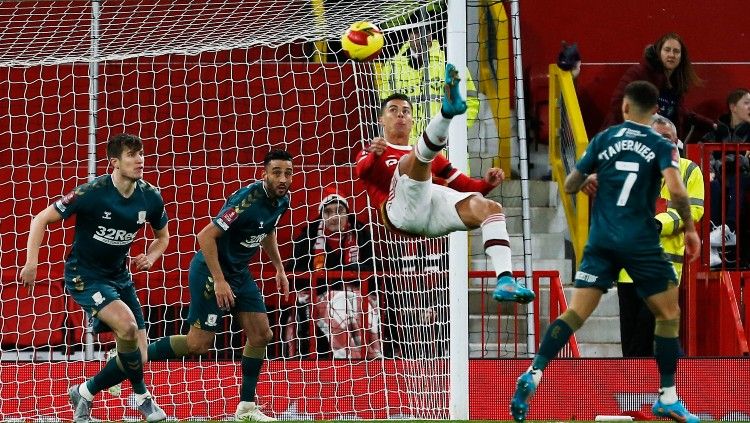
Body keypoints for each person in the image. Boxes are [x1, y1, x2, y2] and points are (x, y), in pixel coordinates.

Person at [509, 81, 701, 423]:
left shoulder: (603, 140)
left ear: (625, 109)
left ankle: (535, 372)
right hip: (639, 241)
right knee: (669, 315)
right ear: (655, 109)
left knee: (575, 313)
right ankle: (668, 396)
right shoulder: (661, 145)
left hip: (601, 240)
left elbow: (570, 184)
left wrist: (585, 182)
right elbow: (677, 190)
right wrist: (688, 229)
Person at [19, 134, 170, 423]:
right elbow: (40, 219)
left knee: (140, 355)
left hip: (120, 277)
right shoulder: (92, 192)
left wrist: (150, 257)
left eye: (141, 154)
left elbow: (163, 237)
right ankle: (142, 397)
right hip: (84, 276)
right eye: (132, 155)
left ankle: (84, 392)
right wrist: (31, 262)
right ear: (114, 162)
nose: (140, 160)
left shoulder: (150, 196)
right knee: (126, 328)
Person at [356, 63, 534, 304]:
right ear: (381, 119)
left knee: (490, 208)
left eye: (406, 111)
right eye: (393, 110)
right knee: (414, 161)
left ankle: (505, 280)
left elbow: (466, 186)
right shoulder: (373, 151)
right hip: (398, 215)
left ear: (412, 120)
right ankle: (446, 113)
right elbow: (362, 171)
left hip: (430, 215)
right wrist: (374, 155)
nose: (400, 114)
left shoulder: (430, 157)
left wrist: (487, 183)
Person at [145, 149, 293, 422]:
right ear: (264, 175)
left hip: (239, 273)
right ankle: (134, 353)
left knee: (262, 335)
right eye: (277, 173)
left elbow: (268, 231)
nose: (283, 179)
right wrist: (220, 281)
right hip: (211, 272)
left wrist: (279, 268)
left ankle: (247, 408)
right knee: (198, 344)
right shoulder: (246, 200)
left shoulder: (282, 201)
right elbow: (205, 236)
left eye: (288, 173)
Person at [582, 115, 705, 357]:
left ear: (677, 141)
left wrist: (658, 224)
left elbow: (693, 210)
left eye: (667, 138)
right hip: (627, 271)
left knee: (646, 338)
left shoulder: (689, 171)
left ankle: (653, 390)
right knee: (632, 342)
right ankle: (636, 391)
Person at [286, 188, 382, 359]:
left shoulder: (361, 233)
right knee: (338, 302)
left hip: (358, 293)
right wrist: (333, 280)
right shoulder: (308, 235)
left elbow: (374, 267)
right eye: (328, 211)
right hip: (321, 294)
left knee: (355, 302)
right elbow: (295, 271)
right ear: (321, 215)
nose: (334, 216)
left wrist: (343, 274)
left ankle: (368, 353)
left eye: (339, 211)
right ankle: (350, 355)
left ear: (347, 213)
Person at [378, 12, 480, 141]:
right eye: (416, 32)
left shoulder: (450, 63)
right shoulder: (391, 67)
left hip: (444, 147)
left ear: (432, 35)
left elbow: (470, 100)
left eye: (427, 31)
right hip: (407, 148)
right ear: (409, 36)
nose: (422, 36)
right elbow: (384, 107)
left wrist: (455, 131)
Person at [602, 33, 714, 138]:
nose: (671, 55)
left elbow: (680, 112)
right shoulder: (639, 72)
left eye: (676, 51)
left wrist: (711, 125)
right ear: (658, 52)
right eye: (667, 50)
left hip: (657, 143)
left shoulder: (676, 83)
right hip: (623, 138)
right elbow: (617, 103)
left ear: (681, 57)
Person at [702, 88, 750, 265]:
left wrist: (722, 163)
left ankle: (729, 229)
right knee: (711, 185)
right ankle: (713, 247)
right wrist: (712, 169)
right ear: (733, 107)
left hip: (743, 181)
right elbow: (702, 152)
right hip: (721, 182)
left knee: (738, 178)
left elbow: (744, 163)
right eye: (746, 103)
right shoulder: (716, 131)